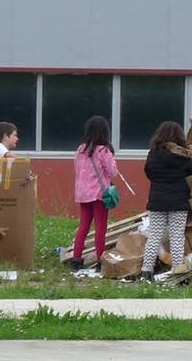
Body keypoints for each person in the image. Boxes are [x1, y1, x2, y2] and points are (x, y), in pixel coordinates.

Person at [139, 121, 192, 281]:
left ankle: (146, 271)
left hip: (157, 201)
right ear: (179, 137)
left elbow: (149, 172)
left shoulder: (153, 153)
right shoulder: (183, 155)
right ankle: (177, 270)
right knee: (177, 237)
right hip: (178, 202)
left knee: (154, 236)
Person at [70, 116, 119, 271]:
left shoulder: (80, 149)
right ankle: (100, 260)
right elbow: (113, 172)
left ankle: (76, 259)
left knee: (83, 226)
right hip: (99, 194)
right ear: (105, 132)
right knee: (100, 227)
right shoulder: (103, 150)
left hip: (83, 193)